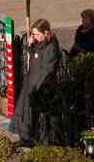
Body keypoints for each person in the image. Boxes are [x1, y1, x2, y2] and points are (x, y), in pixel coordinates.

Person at [12, 19, 59, 149]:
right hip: (31, 83)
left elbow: (46, 71)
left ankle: (37, 141)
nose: (35, 37)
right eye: (33, 34)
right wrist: (31, 46)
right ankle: (26, 138)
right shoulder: (41, 43)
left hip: (39, 87)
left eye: (37, 34)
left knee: (35, 115)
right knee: (24, 112)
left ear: (46, 32)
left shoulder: (51, 48)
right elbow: (36, 57)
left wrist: (35, 89)